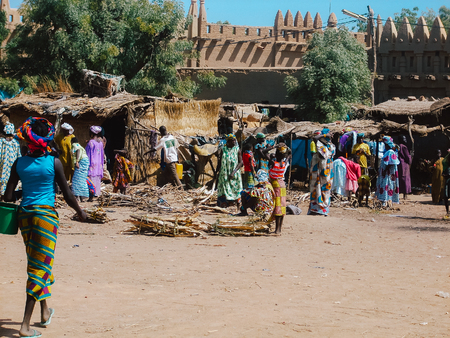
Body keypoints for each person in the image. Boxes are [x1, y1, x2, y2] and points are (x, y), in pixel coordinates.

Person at [4, 117, 86, 338]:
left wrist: (25, 192)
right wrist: (80, 212)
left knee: (38, 262)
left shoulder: (19, 163)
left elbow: (9, 196)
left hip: (25, 216)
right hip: (45, 218)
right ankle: (24, 326)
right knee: (39, 268)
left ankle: (44, 310)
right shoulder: (53, 162)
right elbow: (68, 194)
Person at [308, 129, 335, 216]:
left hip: (327, 170)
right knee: (316, 187)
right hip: (318, 170)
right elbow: (315, 138)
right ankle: (315, 209)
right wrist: (324, 136)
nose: (331, 136)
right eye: (329, 134)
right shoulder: (319, 144)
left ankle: (323, 209)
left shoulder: (330, 145)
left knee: (326, 188)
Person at [266, 143, 289, 233]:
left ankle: (277, 229)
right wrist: (285, 147)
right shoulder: (284, 163)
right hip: (282, 185)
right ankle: (279, 229)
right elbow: (289, 153)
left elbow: (263, 152)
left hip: (276, 185)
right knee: (282, 206)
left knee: (277, 207)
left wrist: (273, 147)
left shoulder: (274, 163)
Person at [216, 134, 243, 208]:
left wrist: (234, 172)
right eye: (232, 140)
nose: (234, 142)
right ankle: (225, 204)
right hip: (224, 173)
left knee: (236, 188)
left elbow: (241, 162)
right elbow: (220, 161)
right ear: (228, 141)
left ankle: (237, 204)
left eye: (234, 140)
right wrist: (216, 171)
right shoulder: (223, 149)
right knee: (224, 187)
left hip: (235, 173)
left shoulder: (237, 149)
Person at [375, 136, 400, 205]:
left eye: (385, 144)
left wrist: (384, 170)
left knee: (387, 185)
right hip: (386, 173)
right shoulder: (389, 152)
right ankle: (385, 201)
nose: (384, 146)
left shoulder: (390, 152)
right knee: (387, 186)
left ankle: (385, 201)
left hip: (388, 173)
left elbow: (390, 163)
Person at [0, 122, 21, 197]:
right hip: (13, 164)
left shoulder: (1, 142)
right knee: (12, 177)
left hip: (3, 164)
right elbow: (19, 155)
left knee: (3, 177)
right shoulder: (15, 143)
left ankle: (3, 194)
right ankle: (11, 194)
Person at [85, 126, 104, 197]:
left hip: (92, 163)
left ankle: (92, 193)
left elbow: (88, 154)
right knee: (97, 178)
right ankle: (97, 193)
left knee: (91, 178)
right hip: (99, 163)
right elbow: (102, 154)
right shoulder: (100, 143)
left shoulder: (91, 143)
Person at [71, 137, 90, 202]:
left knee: (76, 180)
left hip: (81, 162)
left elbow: (78, 150)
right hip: (86, 161)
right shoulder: (79, 145)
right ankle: (82, 196)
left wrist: (77, 161)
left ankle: (77, 197)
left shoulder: (74, 145)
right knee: (82, 179)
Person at [398, 135, 412, 200]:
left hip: (399, 164)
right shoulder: (404, 147)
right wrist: (410, 157)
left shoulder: (398, 146)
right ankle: (405, 195)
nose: (405, 140)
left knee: (400, 178)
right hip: (404, 165)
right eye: (404, 138)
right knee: (405, 179)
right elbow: (407, 157)